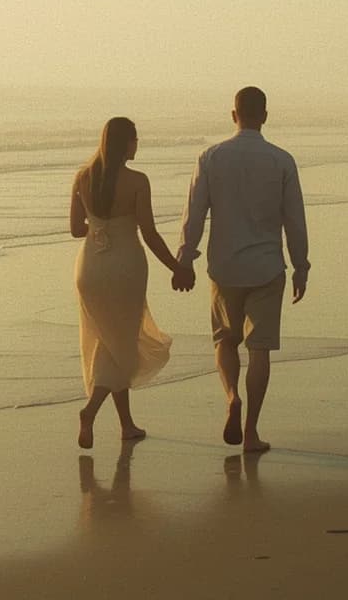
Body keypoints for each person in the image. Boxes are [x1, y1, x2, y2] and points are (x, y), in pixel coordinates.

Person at [172, 87, 309, 453]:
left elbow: (194, 214)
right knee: (259, 350)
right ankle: (251, 432)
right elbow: (294, 219)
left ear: (233, 115)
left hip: (224, 266)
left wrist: (185, 261)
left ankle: (232, 396)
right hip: (266, 266)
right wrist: (301, 266)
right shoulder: (282, 160)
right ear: (264, 115)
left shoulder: (211, 157)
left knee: (225, 340)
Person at [69, 116, 179, 450]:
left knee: (110, 342)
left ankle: (127, 425)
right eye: (135, 139)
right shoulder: (137, 181)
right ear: (125, 143)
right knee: (124, 343)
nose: (137, 144)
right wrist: (177, 267)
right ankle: (90, 411)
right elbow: (149, 232)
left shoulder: (83, 177)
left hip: (90, 269)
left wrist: (99, 227)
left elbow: (75, 229)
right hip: (125, 268)